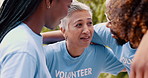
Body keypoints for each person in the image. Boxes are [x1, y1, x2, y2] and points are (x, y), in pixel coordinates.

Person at [42, 0, 148, 77]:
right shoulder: (108, 33)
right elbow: (75, 35)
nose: (107, 25)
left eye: (112, 21)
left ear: (129, 23)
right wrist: (34, 39)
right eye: (108, 19)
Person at [0, 0, 72, 78]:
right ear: (48, 2)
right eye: (68, 6)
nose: (67, 13)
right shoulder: (24, 48)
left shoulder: (27, 39)